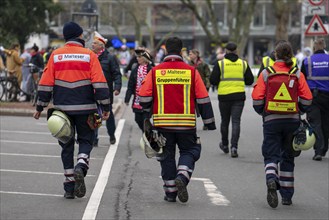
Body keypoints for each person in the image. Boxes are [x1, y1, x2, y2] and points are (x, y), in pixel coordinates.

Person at [33, 21, 110, 199]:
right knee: (86, 140)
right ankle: (81, 165)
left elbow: (45, 84)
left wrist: (39, 107)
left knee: (66, 146)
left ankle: (69, 187)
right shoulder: (89, 55)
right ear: (79, 36)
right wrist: (105, 107)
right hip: (86, 109)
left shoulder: (55, 55)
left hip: (62, 110)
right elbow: (100, 84)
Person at [139, 37, 216, 203]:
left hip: (162, 124)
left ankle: (171, 192)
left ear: (166, 50)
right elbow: (203, 98)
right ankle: (182, 175)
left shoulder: (155, 72)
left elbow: (143, 98)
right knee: (190, 151)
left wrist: (149, 109)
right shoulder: (191, 72)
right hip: (186, 124)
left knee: (166, 156)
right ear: (181, 51)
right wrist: (209, 122)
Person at [252, 40, 312, 208]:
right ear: (291, 55)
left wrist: (264, 112)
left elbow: (257, 99)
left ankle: (271, 179)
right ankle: (286, 195)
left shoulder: (266, 73)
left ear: (275, 55)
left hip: (271, 121)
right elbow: (307, 99)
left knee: (271, 155)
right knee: (288, 157)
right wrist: (298, 110)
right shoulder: (297, 74)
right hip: (292, 121)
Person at [210, 42, 254, 158]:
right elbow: (250, 81)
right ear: (236, 51)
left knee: (225, 121)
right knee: (236, 121)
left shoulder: (220, 64)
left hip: (224, 96)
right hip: (239, 96)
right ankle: (234, 147)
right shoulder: (243, 64)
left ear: (226, 51)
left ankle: (224, 145)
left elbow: (213, 80)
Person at [91, 31, 122, 146]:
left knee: (107, 114)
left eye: (94, 43)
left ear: (101, 46)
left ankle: (112, 135)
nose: (92, 45)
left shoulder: (110, 58)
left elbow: (116, 74)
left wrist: (117, 87)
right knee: (94, 114)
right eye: (92, 43)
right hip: (92, 92)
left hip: (106, 92)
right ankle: (94, 138)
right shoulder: (90, 56)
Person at [301, 38, 329, 161]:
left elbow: (302, 80)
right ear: (324, 46)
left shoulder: (307, 61)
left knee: (315, 123)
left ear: (314, 48)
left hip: (313, 97)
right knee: (326, 123)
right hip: (328, 97)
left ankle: (318, 150)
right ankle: (324, 149)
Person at [124, 48, 154, 132]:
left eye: (139, 57)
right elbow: (130, 85)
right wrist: (127, 98)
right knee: (137, 119)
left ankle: (148, 136)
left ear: (145, 58)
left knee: (145, 120)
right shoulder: (135, 70)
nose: (137, 58)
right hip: (137, 100)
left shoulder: (151, 70)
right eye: (137, 57)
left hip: (148, 101)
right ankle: (147, 134)